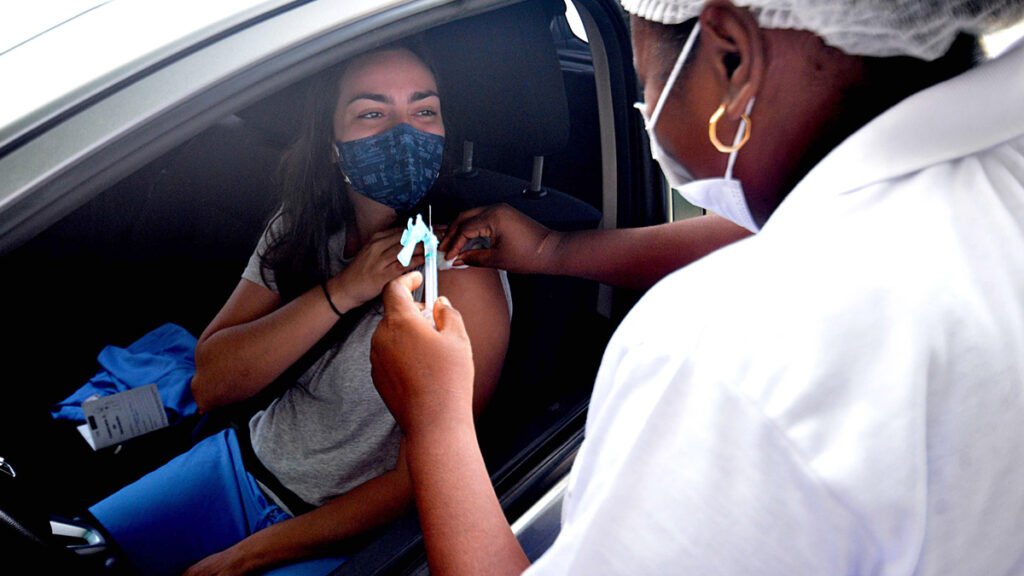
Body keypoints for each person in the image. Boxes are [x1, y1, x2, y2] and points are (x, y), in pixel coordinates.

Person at [370, 0, 1024, 574]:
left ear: (732, 61)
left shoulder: (726, 355)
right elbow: (787, 222)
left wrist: (436, 424)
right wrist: (553, 248)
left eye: (647, 80)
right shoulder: (998, 171)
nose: (646, 106)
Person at [86, 45, 511, 576]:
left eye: (424, 111)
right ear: (332, 144)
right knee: (80, 549)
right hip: (241, 463)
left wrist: (246, 555)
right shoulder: (301, 227)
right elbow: (212, 381)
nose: (404, 133)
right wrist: (344, 291)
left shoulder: (464, 275)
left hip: (342, 531)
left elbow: (419, 479)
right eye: (372, 113)